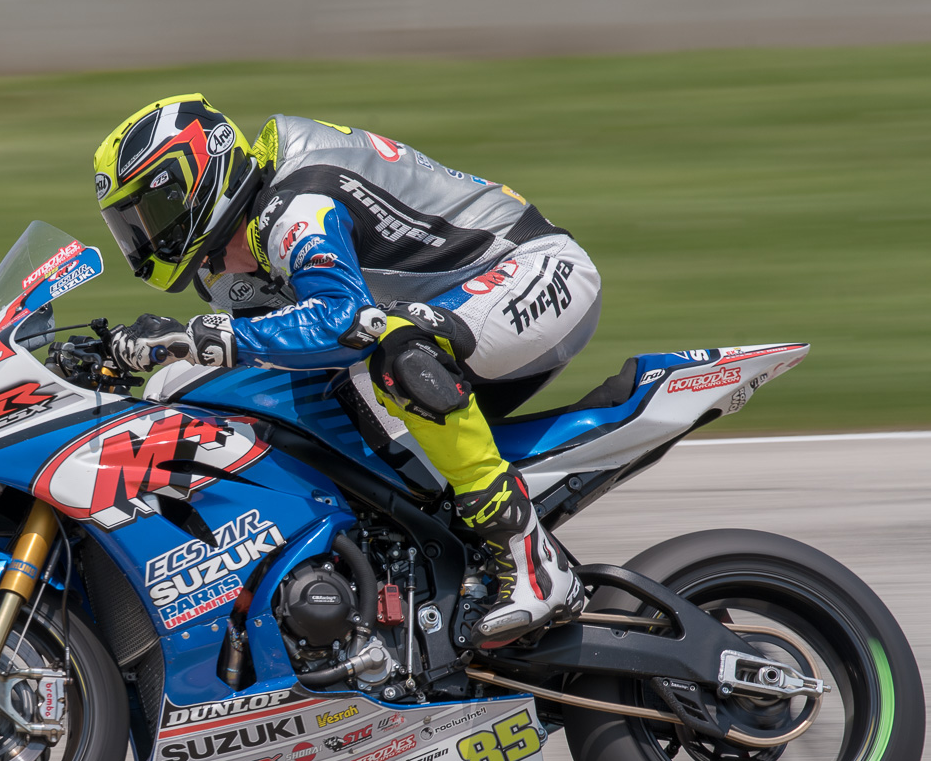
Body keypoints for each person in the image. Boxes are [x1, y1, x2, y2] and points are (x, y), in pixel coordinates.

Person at [93, 94, 597, 647]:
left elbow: (340, 323)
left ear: (199, 178)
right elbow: (275, 354)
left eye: (152, 212)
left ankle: (532, 561)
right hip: (446, 301)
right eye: (130, 225)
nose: (146, 235)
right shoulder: (224, 267)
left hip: (534, 269)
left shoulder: (297, 204)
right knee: (214, 392)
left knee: (398, 349)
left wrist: (200, 339)